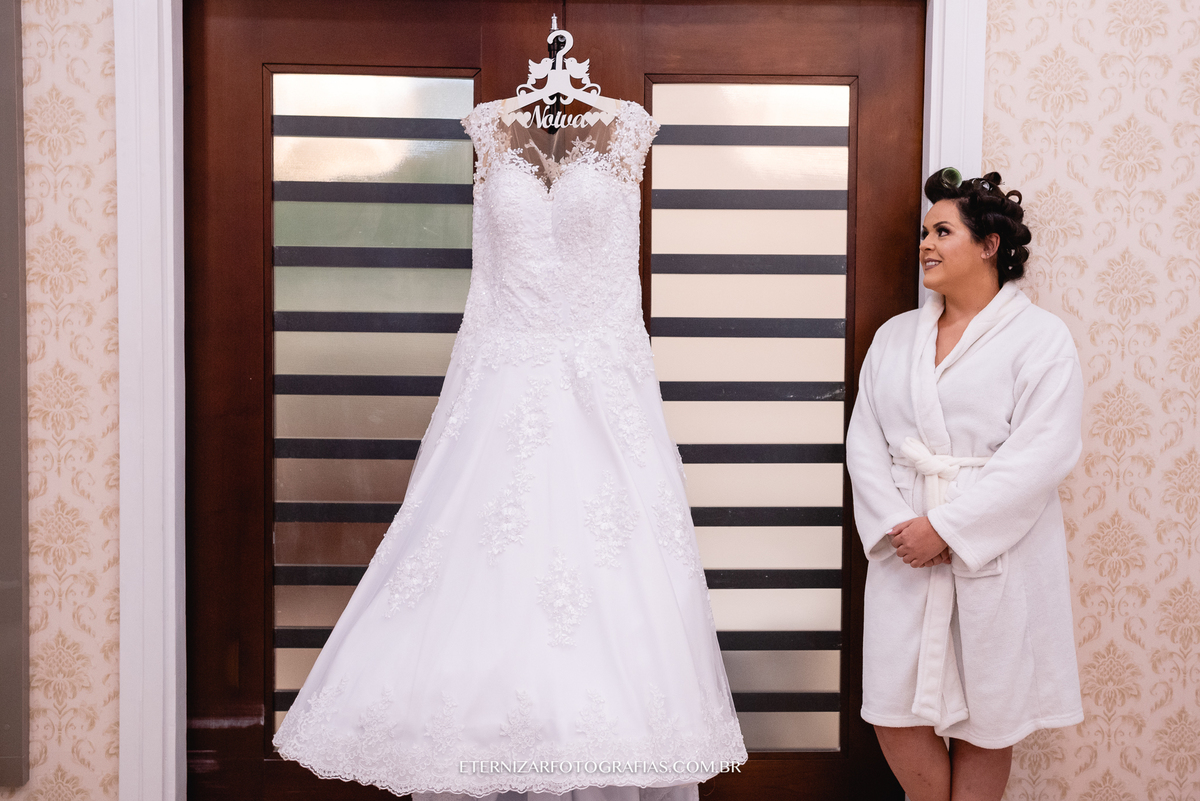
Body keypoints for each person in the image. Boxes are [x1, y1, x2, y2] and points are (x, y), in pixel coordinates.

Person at [845, 169, 1085, 801]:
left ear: (989, 245)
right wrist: (901, 528)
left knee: (989, 716)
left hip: (995, 549)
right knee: (894, 710)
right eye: (924, 233)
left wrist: (947, 529)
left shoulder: (1041, 339)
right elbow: (864, 441)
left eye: (942, 231)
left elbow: (1043, 453)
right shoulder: (895, 337)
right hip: (905, 546)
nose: (925, 243)